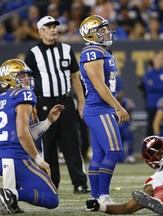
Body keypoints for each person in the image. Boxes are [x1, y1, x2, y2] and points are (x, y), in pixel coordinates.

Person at [24, 15, 89, 194]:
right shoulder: (33, 53)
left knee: (72, 144)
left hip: (66, 100)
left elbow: (75, 76)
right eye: (48, 26)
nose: (53, 29)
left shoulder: (66, 49)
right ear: (41, 31)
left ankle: (80, 183)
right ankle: (51, 183)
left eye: (54, 26)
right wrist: (30, 106)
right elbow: (26, 81)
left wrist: (81, 101)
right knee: (49, 145)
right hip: (44, 101)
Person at [0, 59, 64, 213]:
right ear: (9, 78)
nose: (26, 79)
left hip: (3, 156)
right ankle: (11, 193)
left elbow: (21, 133)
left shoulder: (3, 98)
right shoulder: (23, 94)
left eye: (26, 76)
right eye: (21, 76)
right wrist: (40, 160)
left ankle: (10, 197)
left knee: (10, 205)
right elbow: (22, 134)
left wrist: (48, 122)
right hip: (14, 157)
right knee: (51, 198)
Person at [79, 15, 130, 204]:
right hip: (99, 108)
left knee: (100, 154)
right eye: (101, 30)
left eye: (106, 29)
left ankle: (95, 198)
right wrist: (118, 107)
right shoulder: (93, 51)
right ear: (91, 34)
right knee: (114, 150)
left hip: (98, 108)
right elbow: (100, 86)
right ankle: (103, 195)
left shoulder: (101, 51)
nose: (107, 32)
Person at [140, 50, 163, 137]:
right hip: (152, 104)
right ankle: (148, 149)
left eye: (162, 58)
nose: (160, 60)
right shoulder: (148, 74)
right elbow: (148, 87)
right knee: (151, 128)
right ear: (153, 59)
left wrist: (154, 85)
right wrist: (161, 85)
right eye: (158, 58)